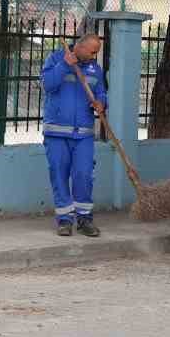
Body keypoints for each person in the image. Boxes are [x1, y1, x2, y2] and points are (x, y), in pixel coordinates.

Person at [40, 32, 108, 237]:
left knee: (84, 174)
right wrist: (64, 65)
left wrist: (101, 104)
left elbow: (101, 93)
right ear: (80, 46)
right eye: (93, 51)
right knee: (59, 175)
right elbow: (47, 85)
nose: (95, 55)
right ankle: (64, 220)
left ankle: (85, 219)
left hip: (84, 135)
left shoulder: (95, 69)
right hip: (57, 133)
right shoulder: (55, 59)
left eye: (97, 52)